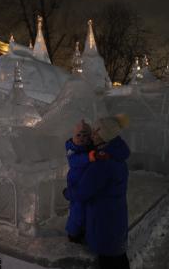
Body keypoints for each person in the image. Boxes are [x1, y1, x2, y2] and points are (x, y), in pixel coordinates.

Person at [76, 114, 131, 269]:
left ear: (105, 136)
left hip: (103, 222)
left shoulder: (103, 163)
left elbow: (82, 192)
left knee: (109, 261)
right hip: (115, 219)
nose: (92, 136)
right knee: (118, 257)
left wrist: (67, 192)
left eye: (95, 133)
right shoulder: (117, 156)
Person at [63, 119, 93, 243]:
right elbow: (74, 161)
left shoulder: (89, 148)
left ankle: (84, 230)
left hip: (86, 184)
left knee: (87, 210)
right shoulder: (71, 149)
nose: (81, 138)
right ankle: (73, 233)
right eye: (78, 135)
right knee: (77, 211)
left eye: (85, 135)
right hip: (76, 184)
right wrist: (89, 157)